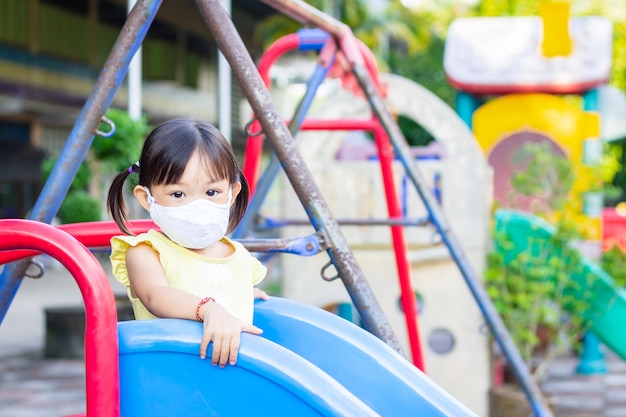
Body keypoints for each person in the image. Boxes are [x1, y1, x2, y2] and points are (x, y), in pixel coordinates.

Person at [107, 117, 268, 368]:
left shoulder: (239, 257)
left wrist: (243, 294)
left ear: (232, 193)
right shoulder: (146, 252)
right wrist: (208, 308)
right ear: (146, 198)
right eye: (178, 194)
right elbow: (155, 296)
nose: (198, 206)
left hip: (232, 384)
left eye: (212, 192)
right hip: (171, 380)